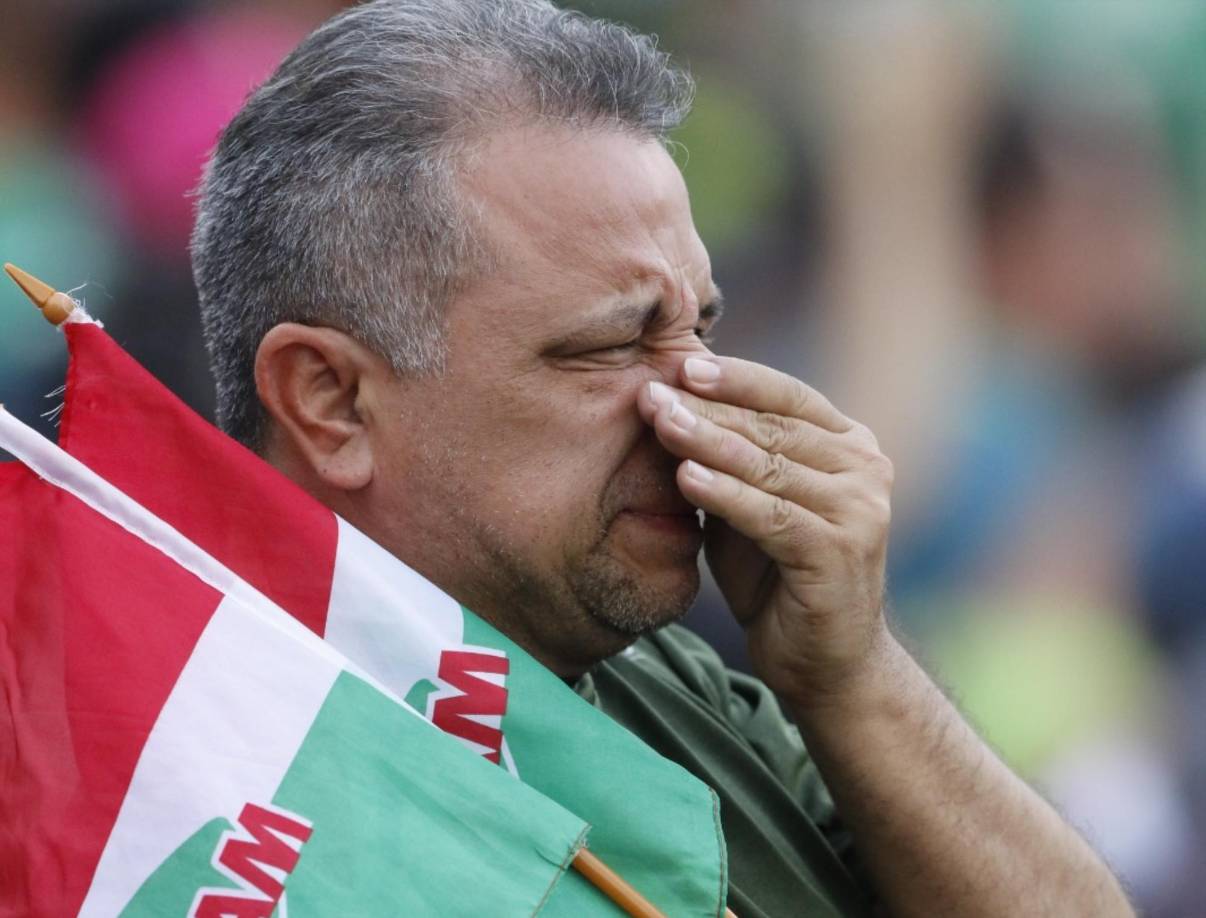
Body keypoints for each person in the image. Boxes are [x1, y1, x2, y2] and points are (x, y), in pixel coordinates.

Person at [191, 1, 1132, 914]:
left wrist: (856, 676)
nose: (696, 400)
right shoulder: (181, 775)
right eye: (610, 345)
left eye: (701, 330)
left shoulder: (673, 681)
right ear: (333, 401)